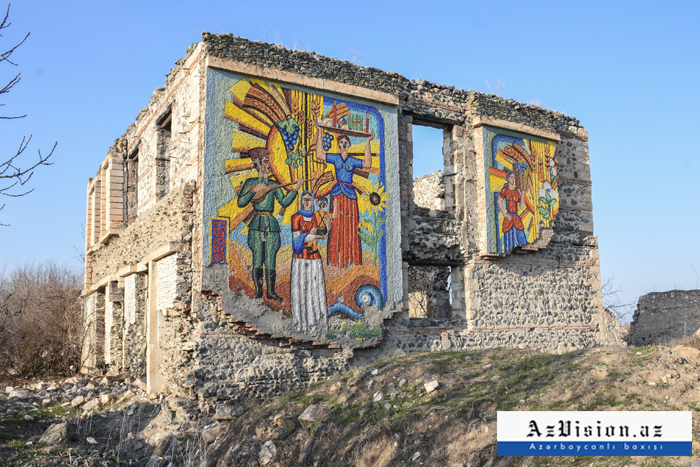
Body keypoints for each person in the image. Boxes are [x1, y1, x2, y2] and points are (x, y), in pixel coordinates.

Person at [237, 147, 302, 301]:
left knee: (271, 258)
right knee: (258, 258)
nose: (269, 164)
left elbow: (284, 201)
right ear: (258, 164)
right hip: (256, 224)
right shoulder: (251, 183)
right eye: (266, 161)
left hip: (271, 224)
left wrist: (296, 189)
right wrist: (254, 191)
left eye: (268, 161)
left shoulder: (273, 184)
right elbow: (241, 202)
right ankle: (259, 292)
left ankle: (271, 292)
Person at [314, 122, 374, 268]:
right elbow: (320, 154)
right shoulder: (335, 158)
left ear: (349, 144)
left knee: (351, 228)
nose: (343, 144)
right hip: (337, 193)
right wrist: (320, 132)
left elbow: (367, 163)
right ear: (339, 144)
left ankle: (350, 259)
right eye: (340, 142)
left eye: (345, 142)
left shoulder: (352, 160)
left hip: (350, 195)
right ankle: (334, 260)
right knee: (335, 225)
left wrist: (368, 141)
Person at [290, 191, 328, 333]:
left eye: (310, 200)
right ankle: (301, 325)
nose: (307, 203)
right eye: (305, 200)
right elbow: (296, 239)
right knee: (301, 289)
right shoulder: (296, 217)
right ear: (301, 201)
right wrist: (313, 235)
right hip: (301, 259)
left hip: (313, 257)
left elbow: (317, 236)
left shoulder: (315, 217)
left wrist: (319, 234)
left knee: (315, 289)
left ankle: (317, 323)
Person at [497, 170, 528, 251]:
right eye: (511, 177)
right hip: (509, 217)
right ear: (508, 178)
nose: (513, 179)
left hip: (516, 217)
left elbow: (521, 207)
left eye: (514, 178)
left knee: (522, 237)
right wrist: (504, 214)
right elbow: (499, 200)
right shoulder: (505, 190)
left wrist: (523, 193)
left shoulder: (516, 191)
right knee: (509, 239)